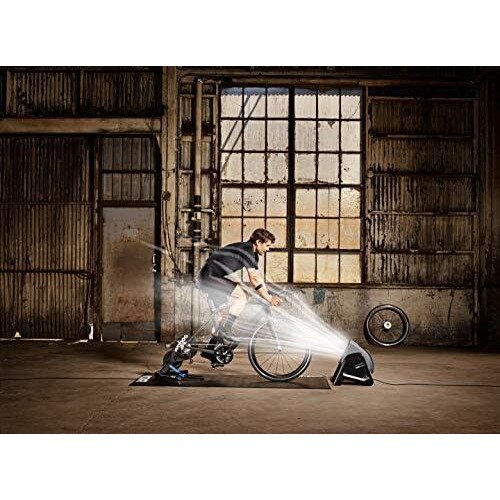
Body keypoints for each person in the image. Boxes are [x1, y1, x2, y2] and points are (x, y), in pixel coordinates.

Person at [197, 228, 283, 341]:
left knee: (223, 317)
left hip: (211, 277)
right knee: (241, 297)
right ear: (258, 242)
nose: (268, 249)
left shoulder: (253, 254)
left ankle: (214, 345)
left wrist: (267, 294)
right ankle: (226, 332)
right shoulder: (247, 250)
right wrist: (269, 298)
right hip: (209, 277)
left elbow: (258, 277)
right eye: (267, 245)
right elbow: (254, 278)